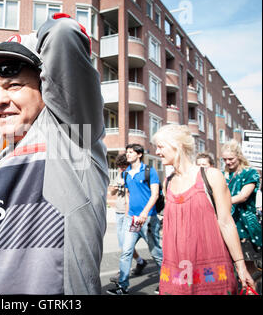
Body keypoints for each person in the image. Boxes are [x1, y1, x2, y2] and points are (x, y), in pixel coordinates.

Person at [0, 14, 108, 295]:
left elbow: (63, 33)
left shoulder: (70, 138)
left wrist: (26, 43)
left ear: (48, 89)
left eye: (14, 86)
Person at [153, 124, 255, 295]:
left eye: (160, 146)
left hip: (210, 267)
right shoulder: (167, 182)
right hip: (177, 269)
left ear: (176, 145)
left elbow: (226, 223)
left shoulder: (211, 176)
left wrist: (241, 267)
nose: (156, 151)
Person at [107, 144, 163, 295]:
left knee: (156, 253)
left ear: (139, 154)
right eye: (127, 152)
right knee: (126, 251)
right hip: (132, 220)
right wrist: (127, 215)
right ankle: (122, 287)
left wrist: (144, 213)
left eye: (130, 152)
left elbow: (155, 195)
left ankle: (165, 283)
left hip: (148, 219)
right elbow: (127, 195)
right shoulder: (126, 174)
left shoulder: (149, 171)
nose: (128, 155)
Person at [221, 139, 261, 277]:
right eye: (225, 159)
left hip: (245, 225)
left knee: (249, 267)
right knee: (229, 267)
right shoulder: (223, 174)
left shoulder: (250, 173)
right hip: (227, 222)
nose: (227, 162)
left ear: (239, 156)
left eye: (231, 159)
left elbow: (243, 196)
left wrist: (221, 201)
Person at [109, 153, 147, 284]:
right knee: (124, 244)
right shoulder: (120, 175)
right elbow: (112, 193)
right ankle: (140, 262)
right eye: (119, 167)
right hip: (120, 213)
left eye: (123, 167)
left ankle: (123, 273)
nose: (121, 169)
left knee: (128, 245)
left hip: (133, 215)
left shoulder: (134, 175)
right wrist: (115, 187)